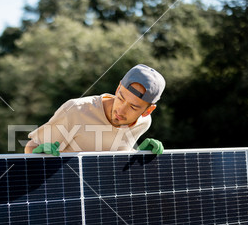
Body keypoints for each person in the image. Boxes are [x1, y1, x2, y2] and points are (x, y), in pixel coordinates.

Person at [24, 64, 165, 156]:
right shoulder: (75, 111)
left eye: (133, 107)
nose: (121, 110)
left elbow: (113, 159)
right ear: (117, 89)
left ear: (148, 111)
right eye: (121, 98)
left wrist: (138, 155)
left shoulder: (144, 123)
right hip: (62, 190)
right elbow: (31, 147)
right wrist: (37, 154)